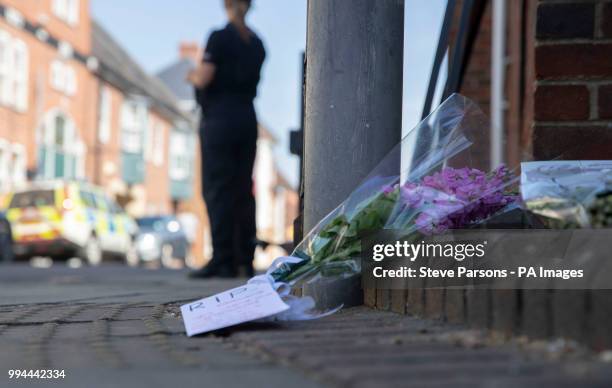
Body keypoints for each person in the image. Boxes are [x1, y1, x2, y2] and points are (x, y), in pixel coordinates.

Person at [187, 0, 265, 278]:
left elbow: (205, 78)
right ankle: (245, 258)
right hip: (247, 119)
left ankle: (223, 259)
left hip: (220, 120)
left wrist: (193, 76)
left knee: (218, 189)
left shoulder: (219, 37)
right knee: (243, 190)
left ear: (227, 5)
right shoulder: (257, 43)